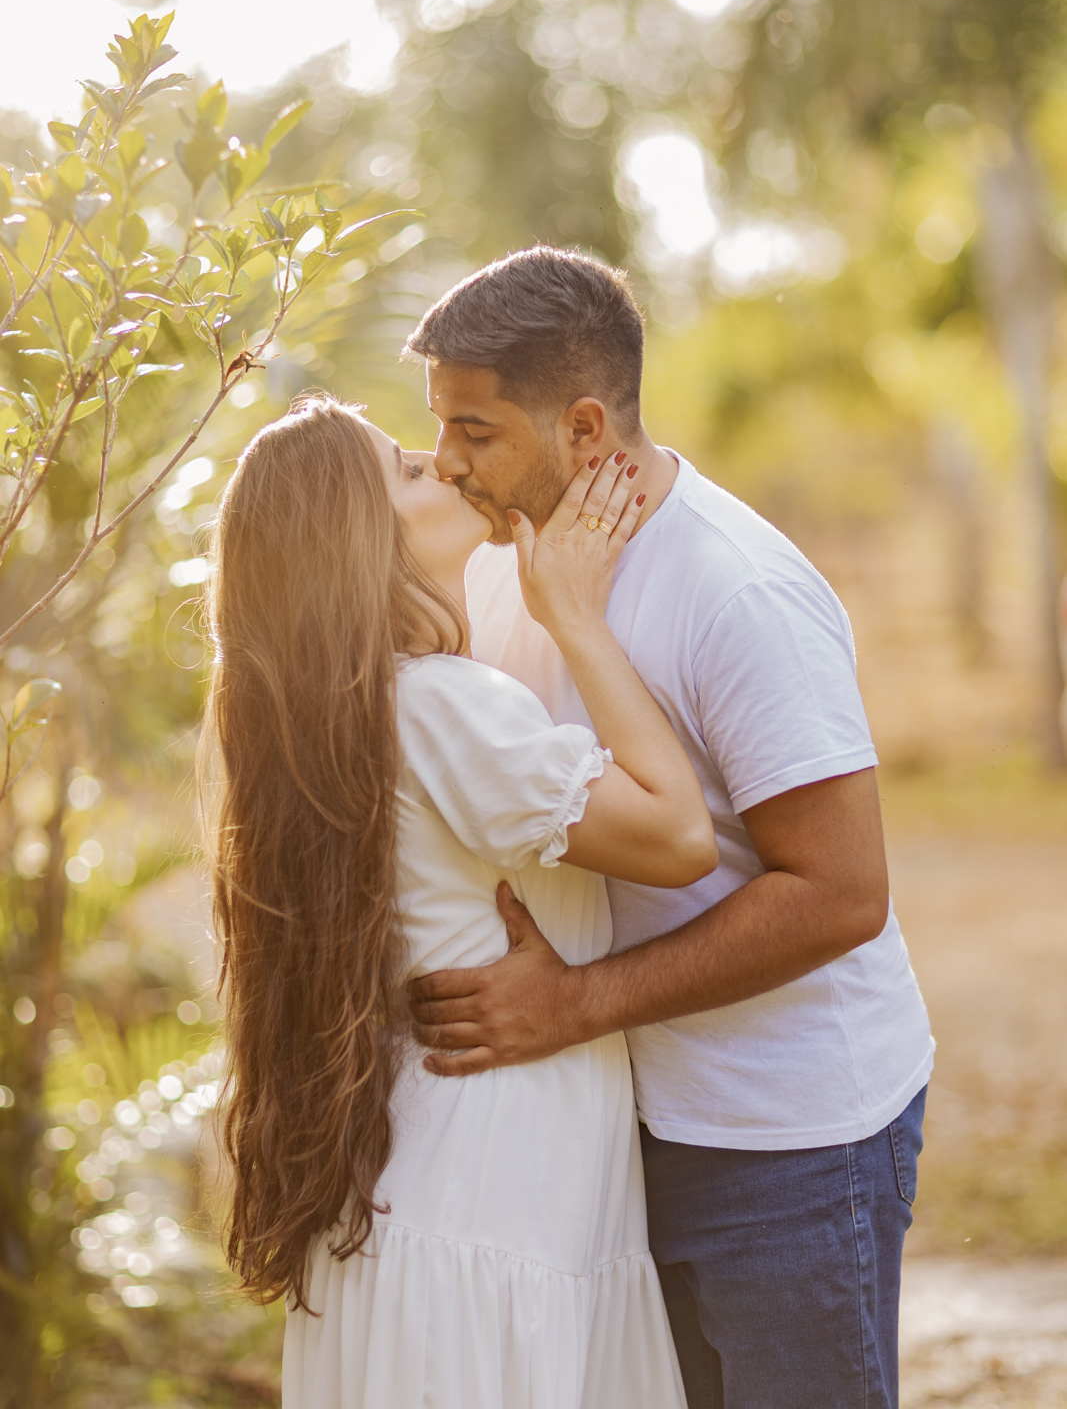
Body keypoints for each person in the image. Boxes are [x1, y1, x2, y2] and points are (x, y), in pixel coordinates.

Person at [404, 246, 936, 1409]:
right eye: (437, 427)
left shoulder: (735, 589)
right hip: (611, 1133)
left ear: (583, 427)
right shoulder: (495, 568)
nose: (444, 464)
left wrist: (577, 1003)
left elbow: (840, 892)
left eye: (476, 432)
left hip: (788, 1135)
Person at [199, 393, 720, 1408]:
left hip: (445, 1213)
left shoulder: (359, 716)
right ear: (354, 541)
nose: (440, 465)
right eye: (401, 467)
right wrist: (574, 613)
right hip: (486, 1216)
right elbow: (678, 835)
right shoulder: (442, 705)